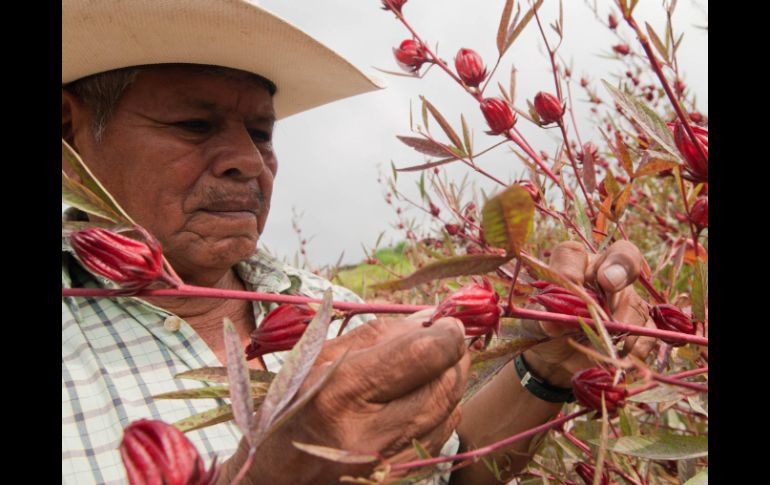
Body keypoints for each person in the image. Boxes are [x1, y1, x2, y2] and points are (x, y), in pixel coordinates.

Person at [61, 1, 654, 484]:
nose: (248, 161)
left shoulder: (329, 307)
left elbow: (447, 471)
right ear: (69, 131)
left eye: (262, 132)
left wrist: (543, 369)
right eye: (195, 125)